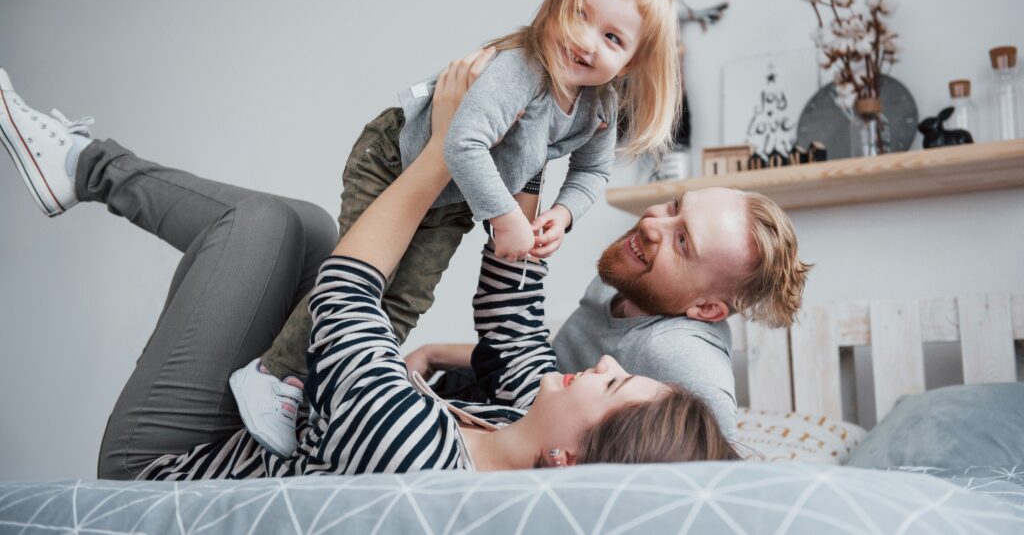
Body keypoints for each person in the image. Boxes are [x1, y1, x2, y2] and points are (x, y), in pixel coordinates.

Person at [0, 54, 736, 480]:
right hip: (254, 427)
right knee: (307, 227)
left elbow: (348, 296)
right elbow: (512, 317)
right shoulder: (518, 420)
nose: (601, 364)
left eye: (609, 385)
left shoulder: (416, 455)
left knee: (266, 227)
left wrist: (442, 145)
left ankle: (80, 164)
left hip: (160, 468)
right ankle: (78, 165)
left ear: (568, 458)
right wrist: (538, 136)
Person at [228, 0, 685, 457]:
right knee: (359, 280)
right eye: (581, 13)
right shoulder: (522, 70)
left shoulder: (598, 106)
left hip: (455, 197)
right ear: (557, 3)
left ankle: (316, 386)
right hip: (394, 160)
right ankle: (276, 375)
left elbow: (593, 170)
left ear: (633, 60)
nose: (586, 39)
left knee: (406, 299)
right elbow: (460, 142)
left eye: (612, 38)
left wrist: (564, 212)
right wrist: (508, 216)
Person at [409, 181, 812, 440]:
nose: (653, 225)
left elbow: (718, 475)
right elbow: (538, 356)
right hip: (506, 389)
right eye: (674, 207)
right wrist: (435, 353)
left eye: (684, 242)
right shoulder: (624, 277)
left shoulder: (683, 356)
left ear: (706, 308)